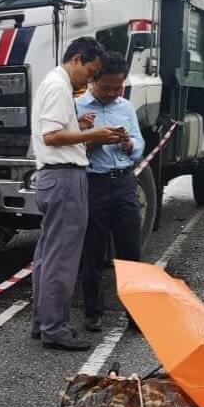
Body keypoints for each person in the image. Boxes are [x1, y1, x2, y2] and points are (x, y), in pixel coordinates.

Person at [30, 38, 124, 351]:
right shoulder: (59, 86)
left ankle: (42, 321)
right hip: (65, 178)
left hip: (52, 178)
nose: (90, 80)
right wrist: (92, 134)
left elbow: (56, 130)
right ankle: (55, 329)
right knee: (62, 259)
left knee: (47, 254)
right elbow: (52, 136)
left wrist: (77, 124)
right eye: (91, 72)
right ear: (78, 60)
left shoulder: (52, 83)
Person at [75, 53, 145, 333]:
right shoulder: (76, 107)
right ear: (93, 80)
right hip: (94, 184)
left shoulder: (125, 106)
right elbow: (68, 151)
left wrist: (128, 144)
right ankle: (93, 312)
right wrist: (91, 139)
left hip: (125, 183)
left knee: (130, 251)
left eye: (119, 87)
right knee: (92, 251)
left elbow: (139, 142)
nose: (114, 93)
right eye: (108, 88)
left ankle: (136, 314)